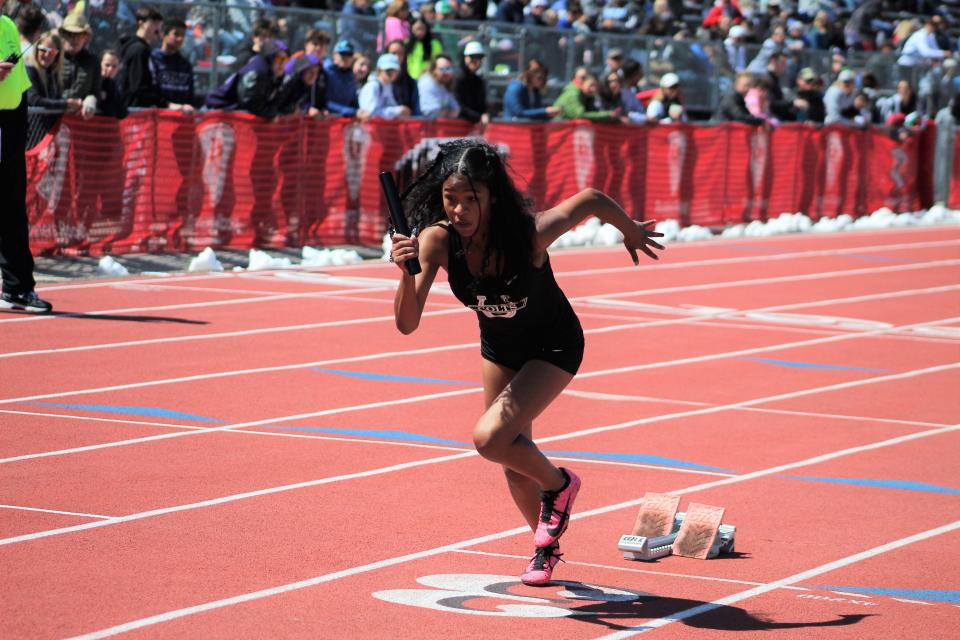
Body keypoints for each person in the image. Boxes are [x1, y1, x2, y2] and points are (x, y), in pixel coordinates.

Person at [388, 139, 663, 585]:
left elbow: (590, 199)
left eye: (470, 199)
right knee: (512, 463)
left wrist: (629, 228)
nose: (458, 210)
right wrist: (405, 271)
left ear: (492, 195)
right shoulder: (437, 241)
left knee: (489, 437)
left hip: (553, 346)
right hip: (501, 348)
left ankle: (559, 485)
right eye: (450, 199)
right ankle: (545, 549)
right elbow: (406, 324)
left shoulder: (528, 233)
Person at [0, 13, 52, 312]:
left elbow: (18, 81)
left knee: (12, 207)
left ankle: (17, 288)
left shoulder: (7, 24)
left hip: (11, 121)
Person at [118, 5, 165, 108]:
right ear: (141, 24)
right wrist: (163, 103)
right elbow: (137, 86)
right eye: (154, 23)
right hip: (136, 112)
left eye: (159, 25)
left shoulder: (144, 48)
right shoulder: (139, 49)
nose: (157, 29)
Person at [58, 12, 97, 119]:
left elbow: (96, 90)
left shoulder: (92, 61)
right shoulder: (53, 57)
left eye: (78, 34)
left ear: (85, 37)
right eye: (69, 34)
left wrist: (91, 99)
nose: (73, 39)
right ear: (63, 36)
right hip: (54, 117)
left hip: (81, 120)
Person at [151, 18, 195, 111]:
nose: (180, 39)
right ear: (163, 35)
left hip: (180, 119)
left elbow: (190, 96)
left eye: (183, 35)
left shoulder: (185, 65)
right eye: (176, 34)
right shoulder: (153, 60)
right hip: (157, 117)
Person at [357, 52, 411, 119]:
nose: (392, 73)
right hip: (367, 128)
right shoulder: (372, 86)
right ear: (379, 70)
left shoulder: (388, 86)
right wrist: (397, 111)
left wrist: (401, 111)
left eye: (394, 70)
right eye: (388, 70)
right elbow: (370, 114)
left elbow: (390, 106)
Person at [454, 40, 488, 125]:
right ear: (465, 58)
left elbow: (481, 105)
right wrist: (478, 117)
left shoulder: (479, 81)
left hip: (473, 127)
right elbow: (457, 105)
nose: (477, 62)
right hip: (458, 126)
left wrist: (485, 114)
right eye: (473, 57)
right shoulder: (458, 78)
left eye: (479, 58)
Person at [324, 38, 359, 117]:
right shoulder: (326, 72)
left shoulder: (351, 76)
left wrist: (359, 111)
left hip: (345, 122)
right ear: (334, 55)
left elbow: (353, 101)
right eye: (342, 54)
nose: (346, 58)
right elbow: (324, 102)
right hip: (328, 121)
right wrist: (352, 112)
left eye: (349, 55)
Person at [417, 53, 458, 118]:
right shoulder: (427, 82)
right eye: (442, 69)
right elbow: (431, 113)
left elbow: (456, 109)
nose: (446, 73)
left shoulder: (446, 84)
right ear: (433, 70)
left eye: (448, 69)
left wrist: (447, 111)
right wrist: (448, 111)